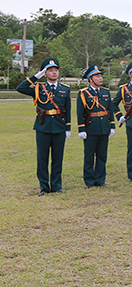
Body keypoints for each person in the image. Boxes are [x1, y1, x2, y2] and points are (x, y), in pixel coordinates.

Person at [16, 57, 71, 195]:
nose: (54, 73)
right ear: (45, 73)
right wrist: (35, 76)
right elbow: (20, 88)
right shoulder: (38, 88)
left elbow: (68, 110)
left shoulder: (65, 89)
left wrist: (68, 128)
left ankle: (56, 186)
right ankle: (44, 187)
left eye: (56, 70)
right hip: (43, 126)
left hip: (59, 127)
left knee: (58, 158)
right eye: (50, 70)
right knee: (43, 158)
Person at [76, 64, 115, 188]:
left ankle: (100, 180)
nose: (100, 78)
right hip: (90, 128)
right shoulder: (83, 93)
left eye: (100, 76)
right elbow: (80, 112)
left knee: (102, 155)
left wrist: (112, 125)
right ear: (90, 79)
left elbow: (110, 109)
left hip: (103, 127)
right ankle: (89, 181)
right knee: (89, 156)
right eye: (97, 76)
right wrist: (81, 129)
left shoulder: (105, 92)